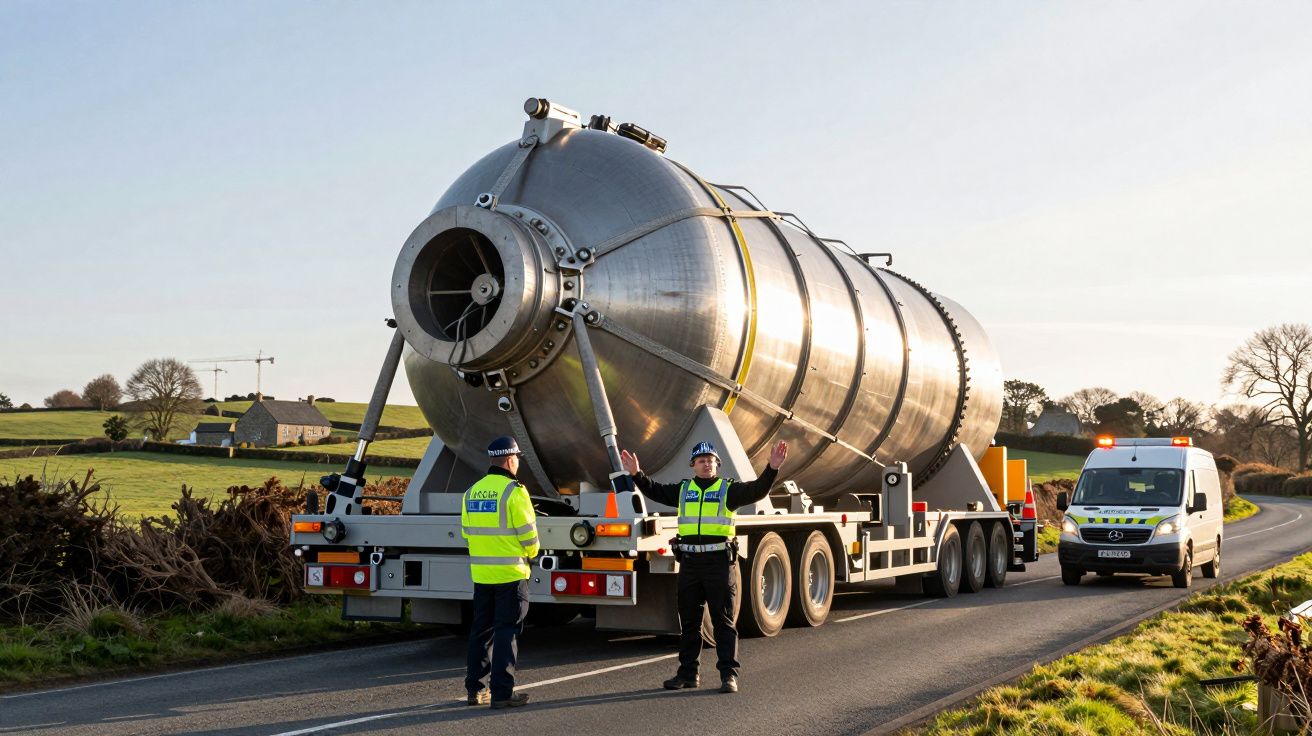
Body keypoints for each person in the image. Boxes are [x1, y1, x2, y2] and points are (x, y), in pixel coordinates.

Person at [619, 438, 788, 694]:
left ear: (717, 465)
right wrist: (636, 474)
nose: (706, 464)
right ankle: (688, 674)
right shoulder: (684, 490)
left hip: (718, 564)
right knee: (689, 622)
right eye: (701, 460)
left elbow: (757, 490)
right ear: (693, 465)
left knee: (723, 622)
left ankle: (728, 676)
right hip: (689, 564)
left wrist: (772, 468)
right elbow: (655, 490)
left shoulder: (727, 489)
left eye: (710, 460)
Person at [462, 436, 539, 709]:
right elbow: (529, 535)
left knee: (481, 632)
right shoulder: (514, 491)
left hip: (482, 576)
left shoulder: (472, 491)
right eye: (517, 457)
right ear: (509, 459)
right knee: (507, 632)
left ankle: (475, 690)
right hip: (510, 575)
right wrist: (532, 555)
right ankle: (503, 693)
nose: (518, 462)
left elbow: (466, 533)